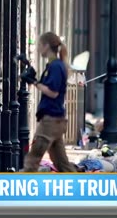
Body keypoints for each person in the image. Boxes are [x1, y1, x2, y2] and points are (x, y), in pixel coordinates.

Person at [21, 32, 77, 172]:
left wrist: (34, 82)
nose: (38, 48)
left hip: (50, 121)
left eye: (39, 45)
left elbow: (53, 92)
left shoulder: (56, 66)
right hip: (55, 120)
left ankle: (20, 189)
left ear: (46, 46)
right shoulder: (53, 65)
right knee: (62, 164)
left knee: (32, 159)